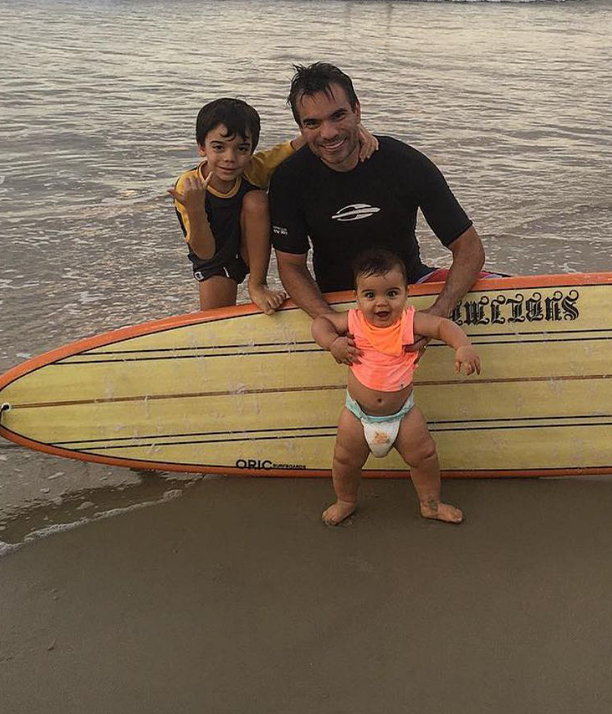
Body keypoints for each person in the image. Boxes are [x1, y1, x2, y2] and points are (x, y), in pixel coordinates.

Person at [269, 62, 486, 338]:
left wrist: (438, 313)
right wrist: (330, 320)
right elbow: (291, 266)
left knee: (508, 287)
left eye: (338, 116)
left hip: (410, 286)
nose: (328, 133)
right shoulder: (289, 180)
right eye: (313, 123)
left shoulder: (403, 163)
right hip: (337, 299)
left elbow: (469, 248)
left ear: (357, 110)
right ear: (300, 127)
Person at [311, 249, 481, 525]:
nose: (382, 303)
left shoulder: (410, 322)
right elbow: (321, 322)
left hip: (403, 414)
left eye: (392, 293)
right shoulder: (352, 322)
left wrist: (462, 346)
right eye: (370, 295)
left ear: (406, 293)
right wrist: (333, 343)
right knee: (345, 461)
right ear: (356, 297)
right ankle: (345, 501)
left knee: (424, 457)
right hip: (357, 415)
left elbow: (442, 326)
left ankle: (431, 504)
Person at [169, 97, 377, 314]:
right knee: (213, 321)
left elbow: (301, 143)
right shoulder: (189, 186)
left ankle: (258, 285)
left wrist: (357, 129)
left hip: (250, 249)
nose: (230, 158)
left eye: (242, 148)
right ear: (202, 147)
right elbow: (205, 252)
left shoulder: (253, 169)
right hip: (214, 256)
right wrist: (195, 209)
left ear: (252, 150)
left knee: (256, 198)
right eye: (219, 147)